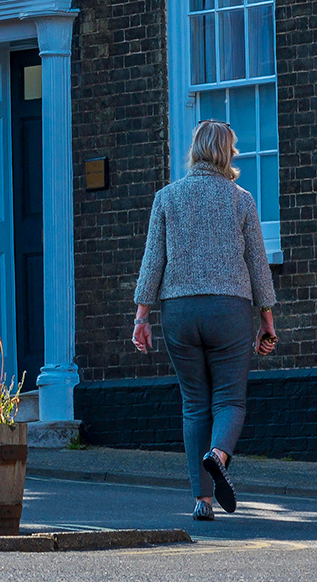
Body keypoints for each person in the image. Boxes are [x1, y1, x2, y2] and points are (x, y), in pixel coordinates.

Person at [131, 118, 279, 520]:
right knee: (229, 399)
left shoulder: (167, 197)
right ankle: (218, 454)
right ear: (227, 153)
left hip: (179, 311)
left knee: (194, 404)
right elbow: (257, 264)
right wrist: (266, 317)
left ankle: (202, 500)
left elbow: (152, 262)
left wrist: (142, 316)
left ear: (195, 150)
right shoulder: (240, 199)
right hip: (229, 309)